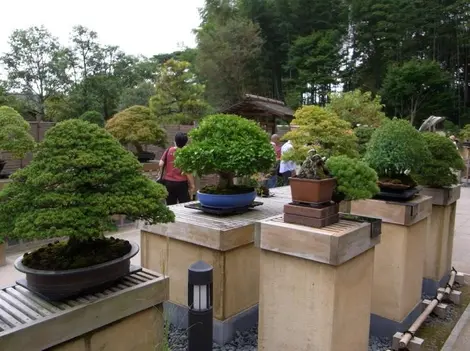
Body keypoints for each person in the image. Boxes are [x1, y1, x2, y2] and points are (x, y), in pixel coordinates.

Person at [159, 132, 196, 205]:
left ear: (175, 141)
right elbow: (188, 172)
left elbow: (160, 164)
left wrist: (162, 174)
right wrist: (192, 185)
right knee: (185, 205)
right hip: (181, 184)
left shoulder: (168, 150)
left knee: (171, 205)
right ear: (186, 143)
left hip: (168, 182)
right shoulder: (186, 154)